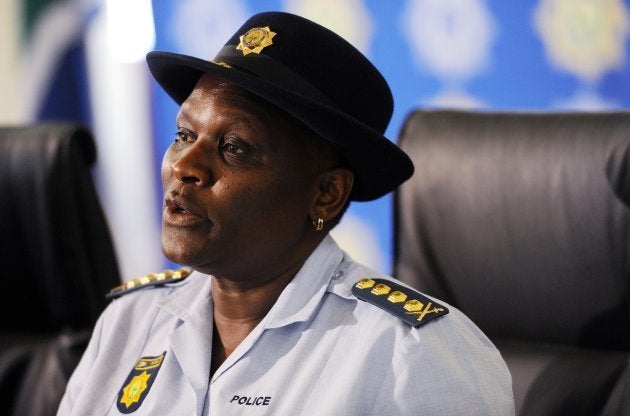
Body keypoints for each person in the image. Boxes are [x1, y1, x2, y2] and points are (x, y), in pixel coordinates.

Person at [57, 11, 514, 415]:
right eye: (183, 135)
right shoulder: (130, 322)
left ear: (327, 194)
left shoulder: (412, 353)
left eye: (234, 147)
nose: (184, 166)